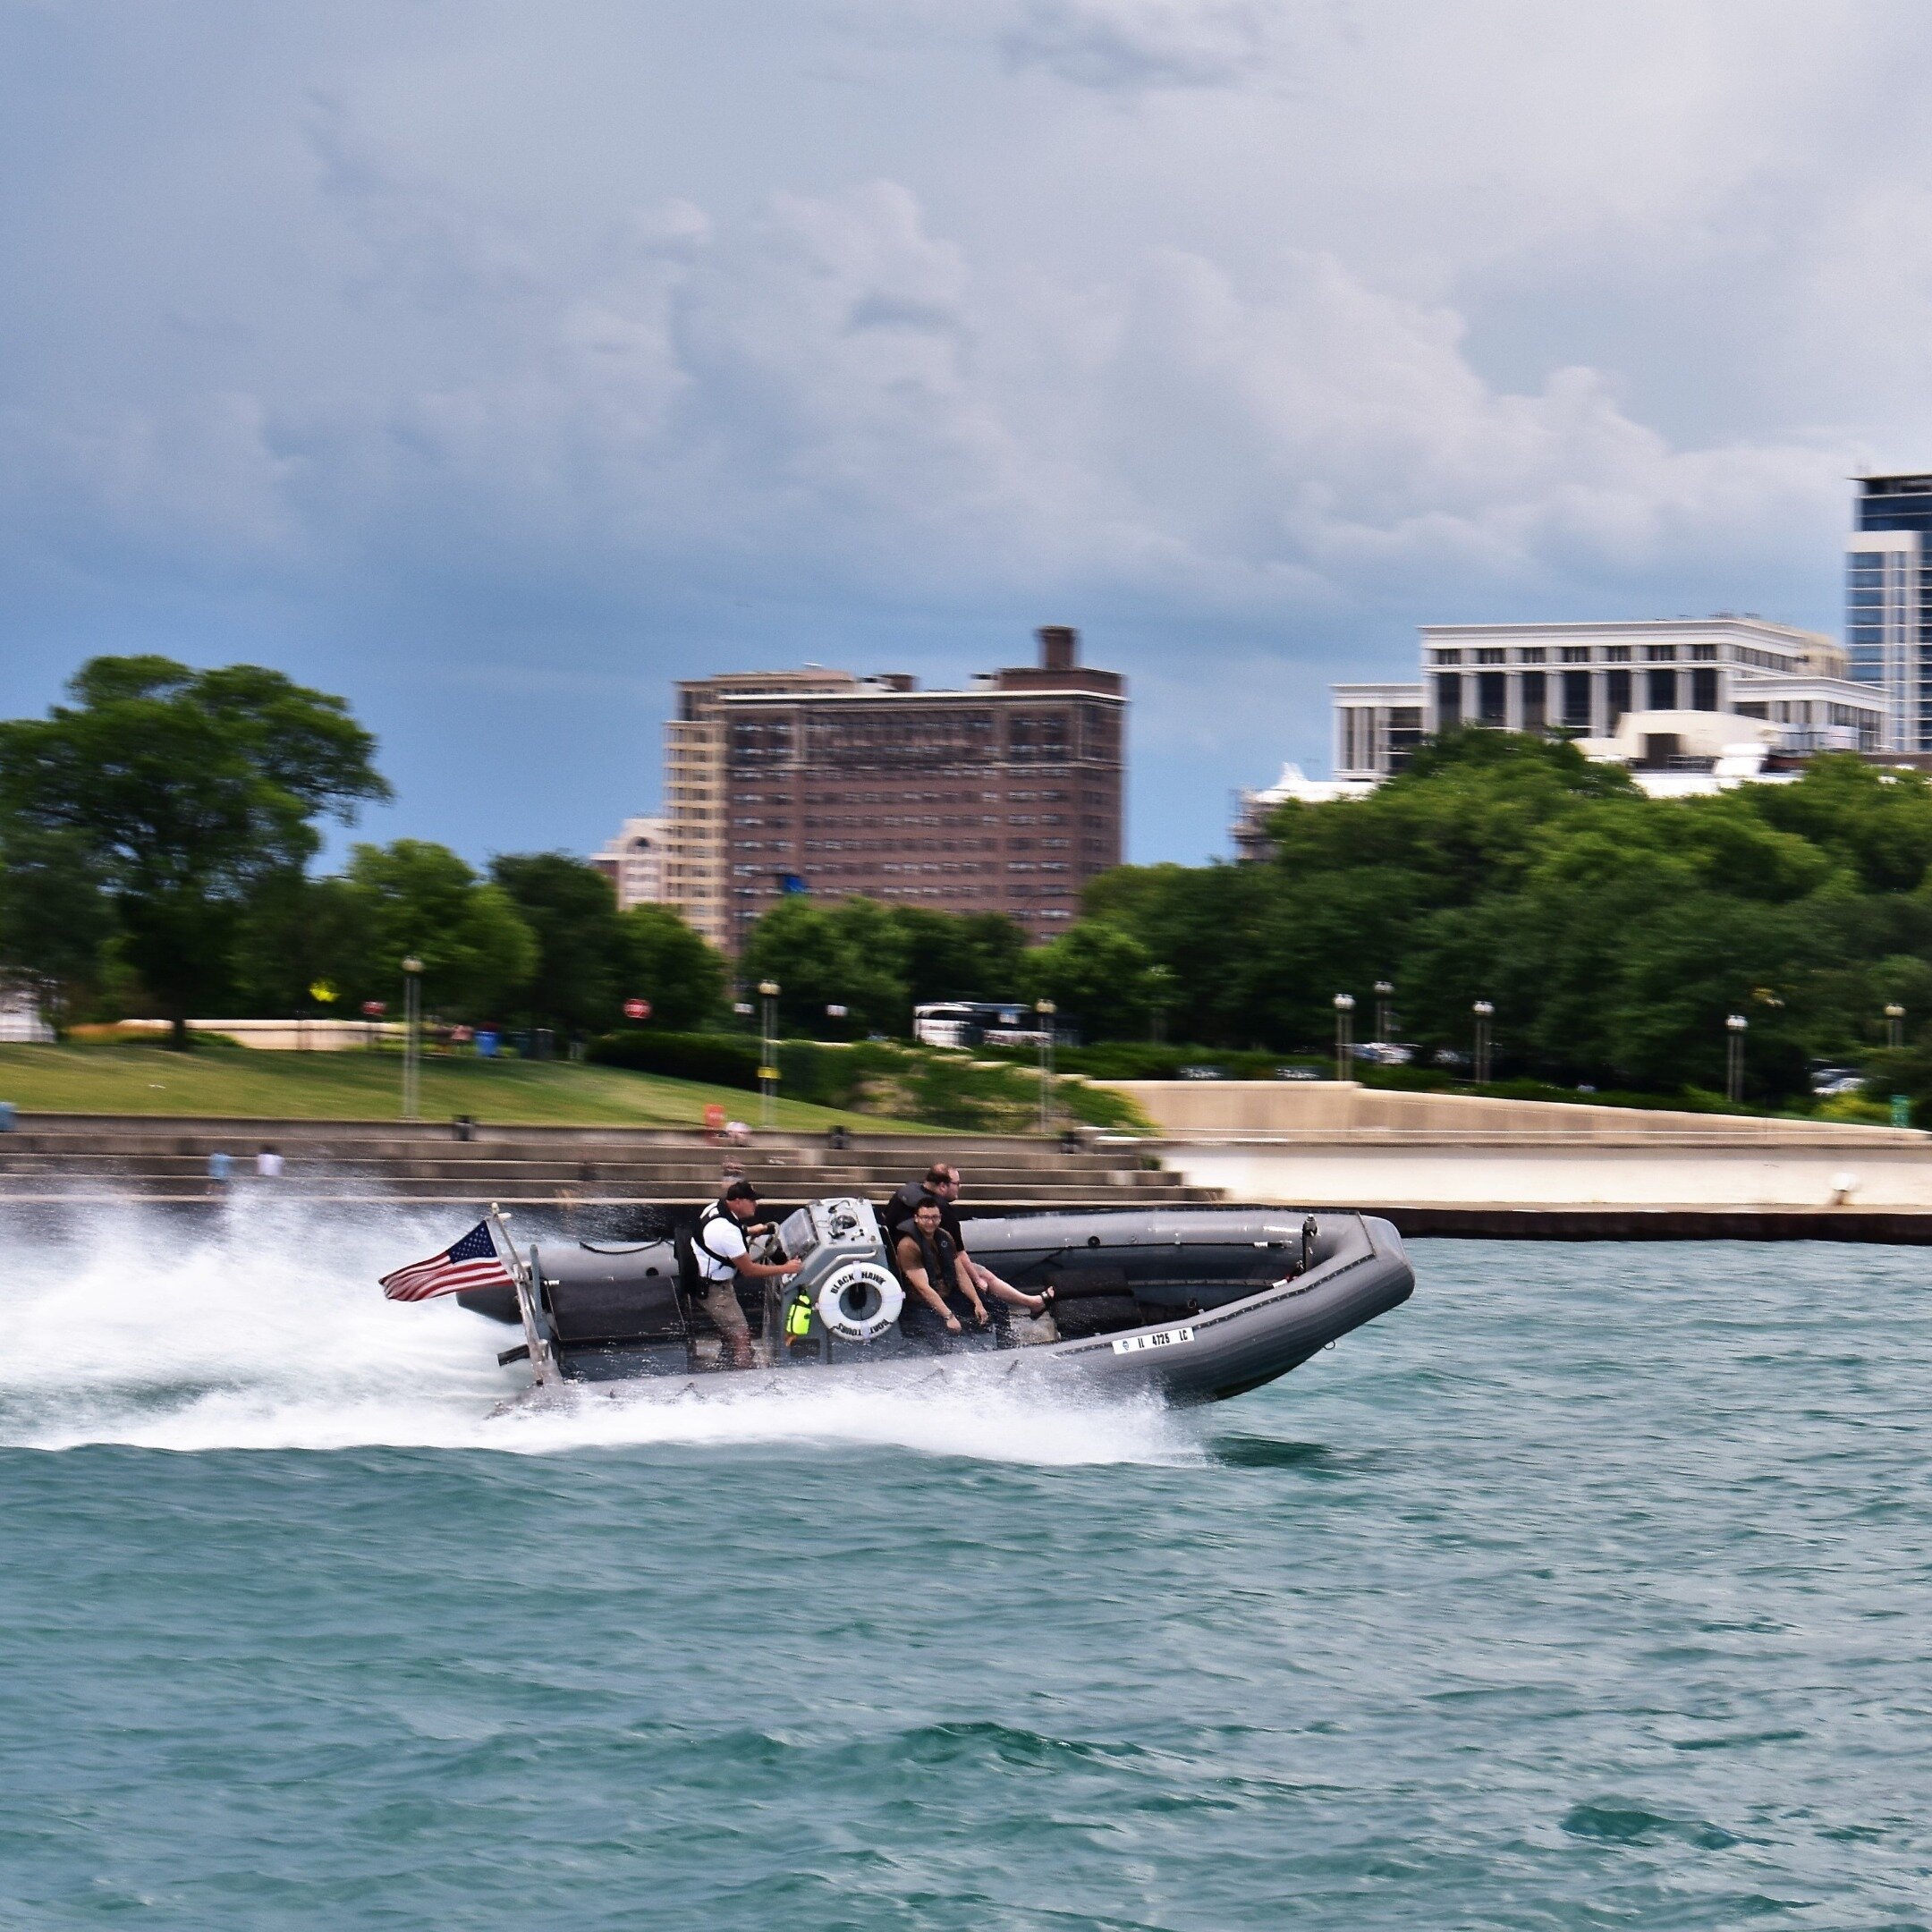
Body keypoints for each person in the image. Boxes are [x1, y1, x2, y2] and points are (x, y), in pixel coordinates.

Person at [885, 1164, 1051, 1327]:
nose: (960, 1187)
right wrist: (976, 1284)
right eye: (957, 1184)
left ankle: (1030, 1302)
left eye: (934, 1219)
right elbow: (958, 1260)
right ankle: (1030, 1303)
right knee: (984, 1279)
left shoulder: (905, 1194)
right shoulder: (937, 1217)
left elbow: (957, 1263)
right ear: (943, 1186)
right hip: (922, 1274)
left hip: (909, 1264)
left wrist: (977, 1299)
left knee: (981, 1277)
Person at [692, 1180, 801, 1368]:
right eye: (752, 1201)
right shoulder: (727, 1231)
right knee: (741, 1335)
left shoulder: (716, 1209)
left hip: (706, 1279)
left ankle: (726, 1365)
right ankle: (745, 1376)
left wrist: (750, 1230)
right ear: (737, 1201)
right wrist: (786, 1268)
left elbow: (726, 1235)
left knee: (731, 1329)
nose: (756, 1205)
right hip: (713, 1289)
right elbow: (749, 1270)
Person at [894, 1195, 987, 1343]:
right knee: (940, 1332)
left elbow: (961, 1274)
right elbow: (923, 1287)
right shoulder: (908, 1246)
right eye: (925, 1218)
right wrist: (949, 1316)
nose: (930, 1222)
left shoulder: (946, 1237)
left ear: (940, 1218)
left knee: (994, 1306)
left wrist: (977, 1302)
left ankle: (1005, 1348)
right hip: (921, 1304)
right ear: (916, 1218)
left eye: (934, 1217)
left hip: (947, 1294)